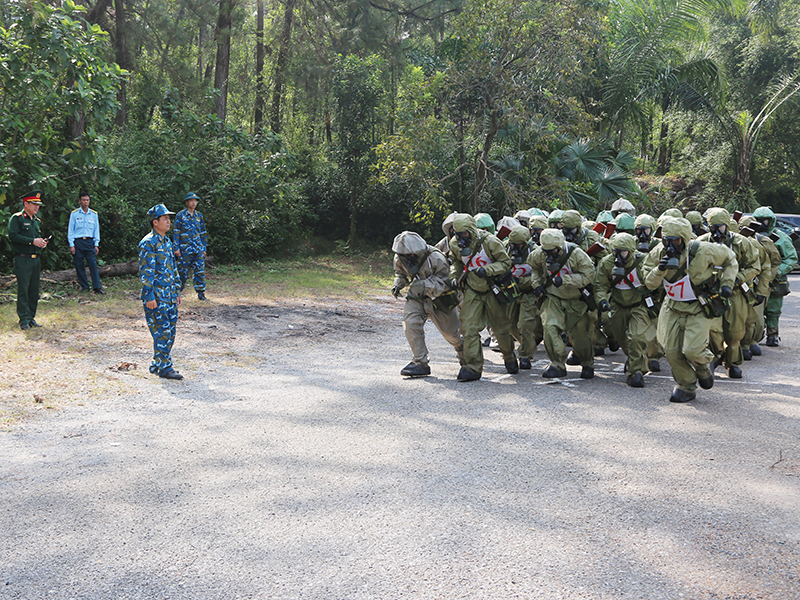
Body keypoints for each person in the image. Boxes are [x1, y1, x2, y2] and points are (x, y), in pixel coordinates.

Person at [644, 217, 737, 403]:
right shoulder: (658, 253)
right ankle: (686, 385)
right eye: (667, 240)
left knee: (693, 350)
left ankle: (704, 366)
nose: (670, 245)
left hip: (698, 305)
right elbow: (649, 283)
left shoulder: (704, 250)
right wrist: (660, 269)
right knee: (671, 350)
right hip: (672, 305)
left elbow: (730, 258)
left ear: (685, 239)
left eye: (676, 240)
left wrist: (727, 283)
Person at [449, 213, 516, 381]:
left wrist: (488, 270)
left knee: (500, 329)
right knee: (469, 327)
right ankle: (473, 367)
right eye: (458, 233)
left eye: (465, 233)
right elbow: (456, 262)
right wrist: (453, 277)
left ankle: (509, 355)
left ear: (472, 229)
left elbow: (506, 263)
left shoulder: (490, 242)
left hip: (493, 289)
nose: (461, 237)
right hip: (472, 289)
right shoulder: (455, 244)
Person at [697, 208, 760, 378]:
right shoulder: (701, 243)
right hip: (711, 294)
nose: (717, 232)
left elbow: (755, 266)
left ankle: (732, 363)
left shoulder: (742, 243)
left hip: (736, 293)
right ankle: (715, 356)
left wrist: (736, 278)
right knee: (712, 331)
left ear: (727, 226)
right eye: (713, 227)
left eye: (721, 227)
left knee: (734, 333)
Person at [391, 231, 464, 377]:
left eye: (409, 255)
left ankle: (464, 350)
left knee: (451, 333)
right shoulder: (399, 257)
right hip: (417, 297)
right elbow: (400, 272)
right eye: (403, 255)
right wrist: (399, 283)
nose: (406, 258)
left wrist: (425, 285)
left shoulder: (436, 258)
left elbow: (444, 281)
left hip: (440, 299)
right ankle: (420, 362)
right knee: (410, 323)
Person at [528, 228, 596, 379]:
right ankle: (557, 364)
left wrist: (565, 280)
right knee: (550, 327)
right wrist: (537, 284)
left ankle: (587, 363)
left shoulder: (576, 254)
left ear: (559, 247)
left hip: (576, 299)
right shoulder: (540, 253)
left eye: (552, 251)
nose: (549, 255)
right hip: (553, 297)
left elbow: (588, 275)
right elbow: (535, 268)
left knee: (580, 336)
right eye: (546, 251)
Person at [594, 233, 656, 387]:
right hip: (617, 305)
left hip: (639, 305)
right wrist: (602, 300)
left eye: (623, 252)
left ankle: (635, 372)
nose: (618, 256)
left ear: (631, 251)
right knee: (623, 340)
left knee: (636, 337)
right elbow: (600, 285)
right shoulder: (607, 263)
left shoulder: (643, 262)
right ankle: (635, 359)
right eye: (615, 251)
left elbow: (656, 283)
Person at [140, 204, 183, 380]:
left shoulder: (167, 242)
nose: (168, 222)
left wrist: (177, 291)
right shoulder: (148, 243)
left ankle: (158, 363)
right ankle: (165, 367)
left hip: (170, 295)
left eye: (169, 218)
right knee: (162, 332)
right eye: (165, 219)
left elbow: (173, 269)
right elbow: (146, 272)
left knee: (170, 332)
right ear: (155, 222)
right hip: (156, 296)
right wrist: (149, 295)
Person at [752, 206, 798, 346]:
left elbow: (791, 257)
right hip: (756, 278)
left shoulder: (780, 237)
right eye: (759, 221)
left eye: (766, 220)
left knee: (773, 309)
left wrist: (777, 272)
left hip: (775, 280)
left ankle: (773, 335)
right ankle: (756, 335)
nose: (762, 223)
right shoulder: (750, 236)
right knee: (755, 308)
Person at [7, 191, 49, 330]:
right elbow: (13, 236)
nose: (37, 207)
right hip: (23, 259)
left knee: (33, 290)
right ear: (26, 204)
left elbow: (35, 239)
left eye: (38, 204)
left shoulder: (36, 221)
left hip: (35, 259)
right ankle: (23, 319)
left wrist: (41, 243)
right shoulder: (17, 218)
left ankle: (31, 317)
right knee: (23, 290)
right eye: (34, 204)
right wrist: (32, 241)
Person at [173, 192, 208, 301]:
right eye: (191, 200)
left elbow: (202, 232)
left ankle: (201, 294)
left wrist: (204, 248)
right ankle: (177, 293)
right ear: (186, 202)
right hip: (185, 249)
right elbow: (176, 232)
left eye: (195, 200)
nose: (193, 202)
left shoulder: (199, 216)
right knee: (182, 272)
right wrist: (176, 248)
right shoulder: (180, 215)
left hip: (198, 249)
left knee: (200, 272)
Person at [67, 191, 104, 294]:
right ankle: (85, 286)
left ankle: (97, 287)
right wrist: (71, 244)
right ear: (79, 201)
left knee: (93, 264)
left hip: (89, 242)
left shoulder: (94, 214)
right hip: (78, 241)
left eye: (87, 200)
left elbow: (96, 230)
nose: (85, 202)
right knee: (79, 265)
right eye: (83, 200)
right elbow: (71, 230)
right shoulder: (74, 214)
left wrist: (96, 244)